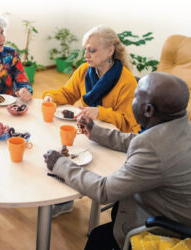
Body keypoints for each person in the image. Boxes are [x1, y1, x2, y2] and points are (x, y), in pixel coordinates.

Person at [43, 72, 191, 249]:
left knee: (98, 239)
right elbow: (137, 141)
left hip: (176, 233)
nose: (132, 100)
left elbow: (104, 191)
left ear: (148, 110)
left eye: (135, 96)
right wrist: (96, 131)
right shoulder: (183, 126)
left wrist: (60, 164)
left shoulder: (153, 149)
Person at [43, 25, 140, 217]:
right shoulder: (84, 70)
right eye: (85, 49)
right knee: (63, 147)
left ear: (110, 51)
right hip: (88, 131)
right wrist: (50, 98)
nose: (86, 54)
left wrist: (100, 112)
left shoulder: (127, 81)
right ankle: (64, 198)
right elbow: (67, 93)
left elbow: (128, 124)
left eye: (92, 50)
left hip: (114, 139)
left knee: (73, 153)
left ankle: (76, 195)